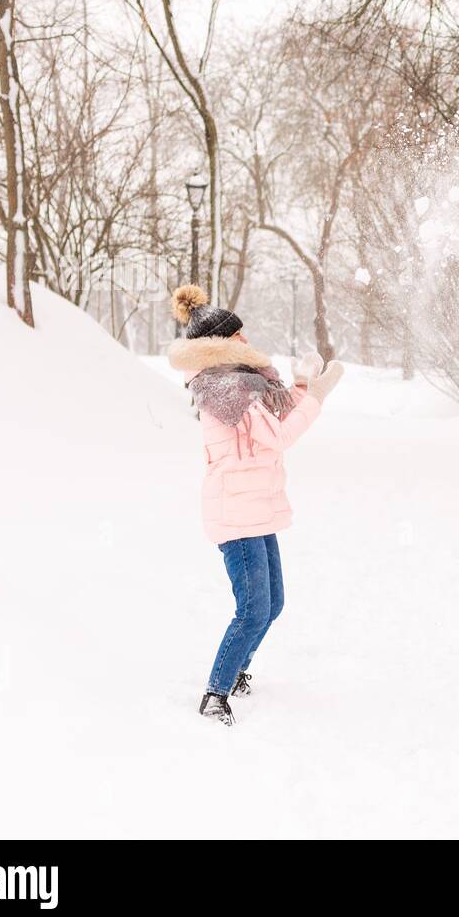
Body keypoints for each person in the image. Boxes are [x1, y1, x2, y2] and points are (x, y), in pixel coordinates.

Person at [167, 284, 343, 725]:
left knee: (273, 602)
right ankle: (215, 692)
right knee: (253, 609)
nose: (247, 340)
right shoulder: (223, 389)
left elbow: (277, 414)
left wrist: (302, 385)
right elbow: (281, 435)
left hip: (255, 504)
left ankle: (238, 669)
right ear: (221, 345)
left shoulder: (243, 383)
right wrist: (318, 398)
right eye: (239, 335)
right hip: (235, 510)